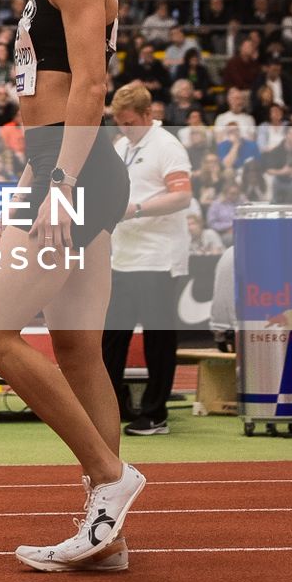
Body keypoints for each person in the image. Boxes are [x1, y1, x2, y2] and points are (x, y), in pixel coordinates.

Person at [0, 0, 142, 575]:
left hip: (69, 170)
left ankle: (111, 478)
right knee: (76, 351)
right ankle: (110, 535)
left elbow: (94, 86)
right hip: (68, 166)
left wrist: (60, 181)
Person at [101, 84, 193, 437]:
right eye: (119, 122)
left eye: (128, 122)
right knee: (112, 337)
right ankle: (113, 403)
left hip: (158, 256)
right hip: (124, 255)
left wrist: (135, 209)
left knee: (158, 338)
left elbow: (182, 196)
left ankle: (156, 413)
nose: (123, 129)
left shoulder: (167, 146)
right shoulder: (124, 145)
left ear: (147, 115)